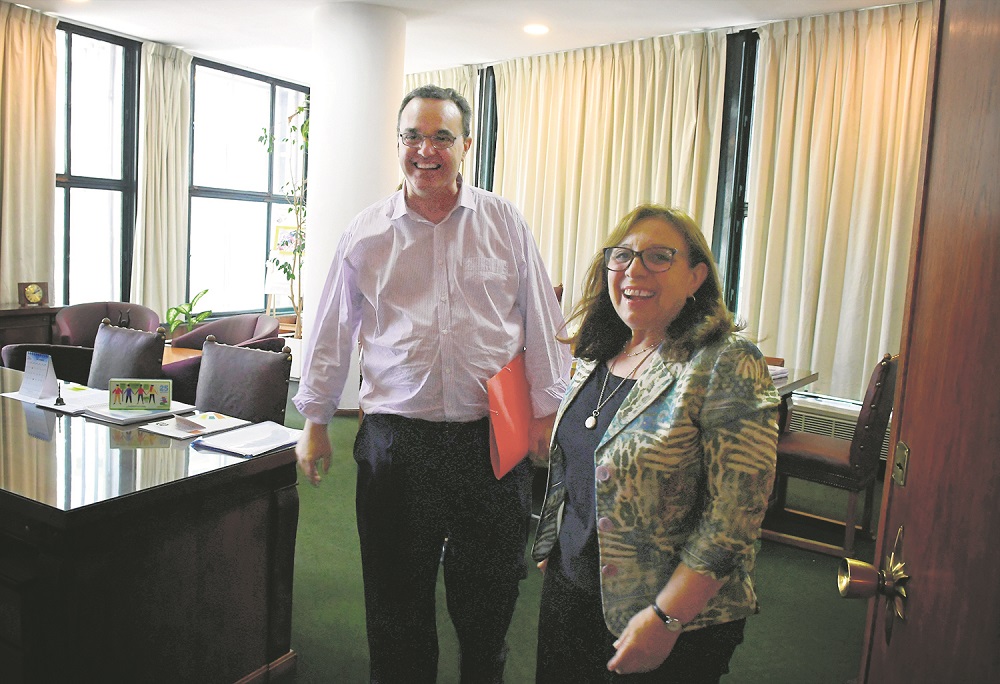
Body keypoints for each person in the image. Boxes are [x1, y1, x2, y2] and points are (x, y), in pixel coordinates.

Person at [293, 84, 571, 683]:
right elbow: (332, 332)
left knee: (489, 601)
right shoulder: (366, 234)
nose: (426, 150)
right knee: (396, 604)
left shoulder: (504, 223)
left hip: (494, 436)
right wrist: (315, 423)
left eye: (441, 136)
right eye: (413, 137)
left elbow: (541, 326)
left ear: (465, 145)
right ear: (399, 144)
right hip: (398, 443)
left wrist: (546, 416)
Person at [532, 204, 779, 683]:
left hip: (667, 618)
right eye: (622, 256)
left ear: (695, 277)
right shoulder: (600, 351)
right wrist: (556, 543)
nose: (635, 270)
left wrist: (667, 617)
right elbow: (579, 459)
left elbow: (735, 517)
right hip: (572, 591)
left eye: (659, 257)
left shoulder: (723, 362)